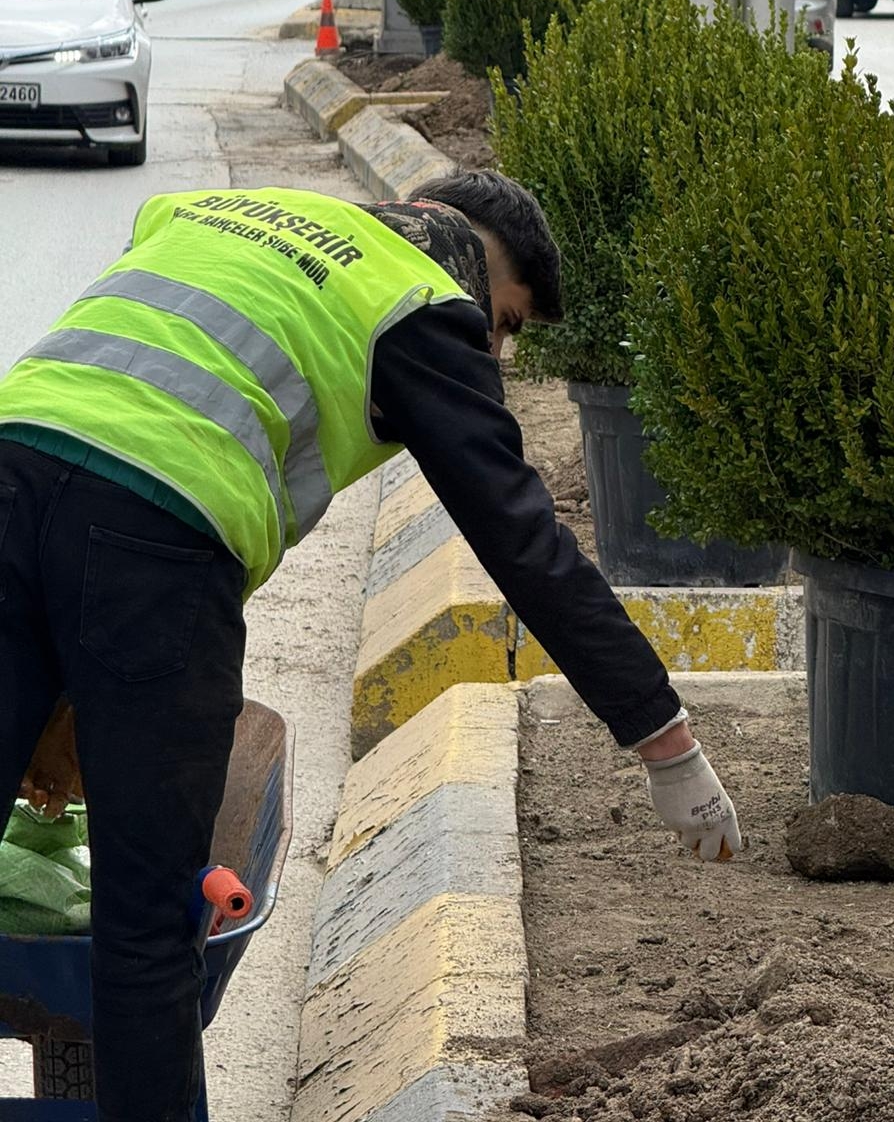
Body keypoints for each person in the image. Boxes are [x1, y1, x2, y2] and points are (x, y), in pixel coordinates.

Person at [0, 172, 740, 1122]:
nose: (495, 352)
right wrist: (664, 740)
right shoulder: (419, 296)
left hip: (10, 468)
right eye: (505, 321)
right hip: (156, 541)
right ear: (475, 259)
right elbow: (524, 540)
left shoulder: (208, 211)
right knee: (144, 927)